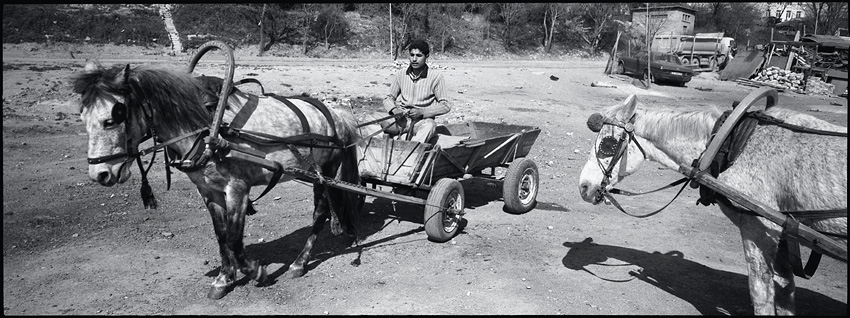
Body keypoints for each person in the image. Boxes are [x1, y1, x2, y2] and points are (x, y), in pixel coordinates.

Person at [379, 39, 451, 144]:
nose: (414, 59)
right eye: (412, 55)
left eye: (418, 56)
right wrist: (394, 110)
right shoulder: (400, 74)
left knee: (430, 126)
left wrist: (422, 112)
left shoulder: (436, 77)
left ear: (426, 57)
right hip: (401, 121)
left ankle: (412, 151)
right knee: (371, 119)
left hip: (421, 123)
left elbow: (445, 105)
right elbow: (388, 98)